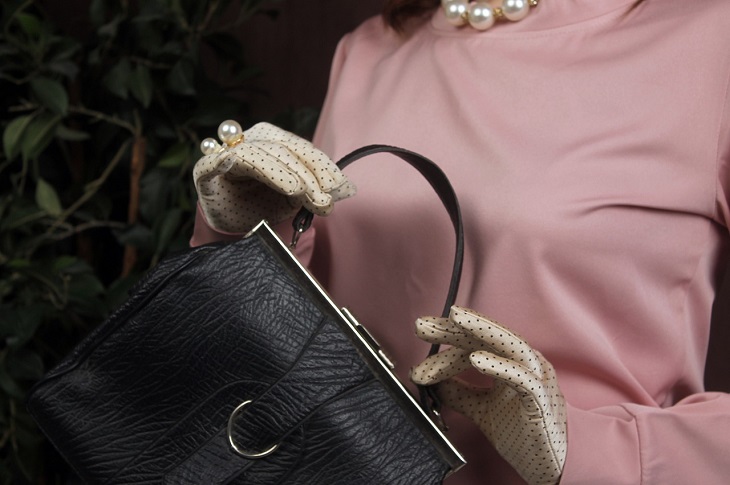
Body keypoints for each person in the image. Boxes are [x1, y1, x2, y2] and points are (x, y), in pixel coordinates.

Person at [191, 0, 730, 483]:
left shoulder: (710, 42)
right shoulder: (371, 48)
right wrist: (243, 238)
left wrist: (597, 451)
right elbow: (291, 334)